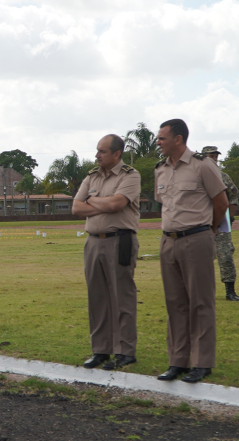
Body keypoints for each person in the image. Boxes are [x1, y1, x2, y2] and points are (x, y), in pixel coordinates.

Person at [154, 119, 229, 383]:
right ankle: (178, 361)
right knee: (175, 303)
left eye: (162, 138)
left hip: (196, 238)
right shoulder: (160, 169)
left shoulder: (202, 165)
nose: (158, 142)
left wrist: (210, 231)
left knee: (200, 302)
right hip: (168, 241)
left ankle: (202, 362)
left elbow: (221, 203)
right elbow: (164, 204)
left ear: (178, 139)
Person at [72, 134, 141, 371]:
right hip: (93, 242)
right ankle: (100, 350)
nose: (97, 155)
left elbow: (116, 204)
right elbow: (76, 207)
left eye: (102, 151)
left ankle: (125, 351)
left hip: (120, 241)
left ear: (117, 154)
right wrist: (104, 203)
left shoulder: (130, 175)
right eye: (97, 150)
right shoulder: (92, 176)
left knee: (122, 297)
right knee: (97, 298)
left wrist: (93, 200)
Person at [202, 146, 239, 301]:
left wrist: (230, 217)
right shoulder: (196, 176)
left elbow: (233, 196)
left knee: (225, 256)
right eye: (210, 156)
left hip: (221, 223)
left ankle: (230, 291)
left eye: (215, 156)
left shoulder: (223, 176)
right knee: (200, 259)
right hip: (201, 222)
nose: (214, 159)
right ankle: (202, 292)